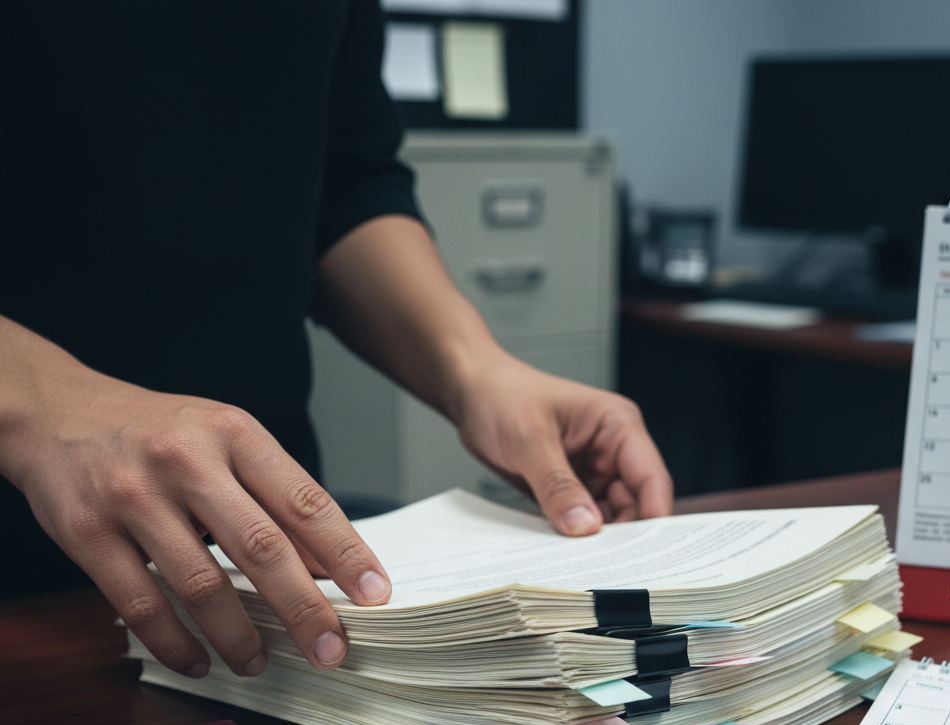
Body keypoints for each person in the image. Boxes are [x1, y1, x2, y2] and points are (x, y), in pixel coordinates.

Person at [0, 1, 672, 681]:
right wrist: (38, 406)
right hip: (29, 592)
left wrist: (474, 370)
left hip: (268, 575)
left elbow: (346, 179)